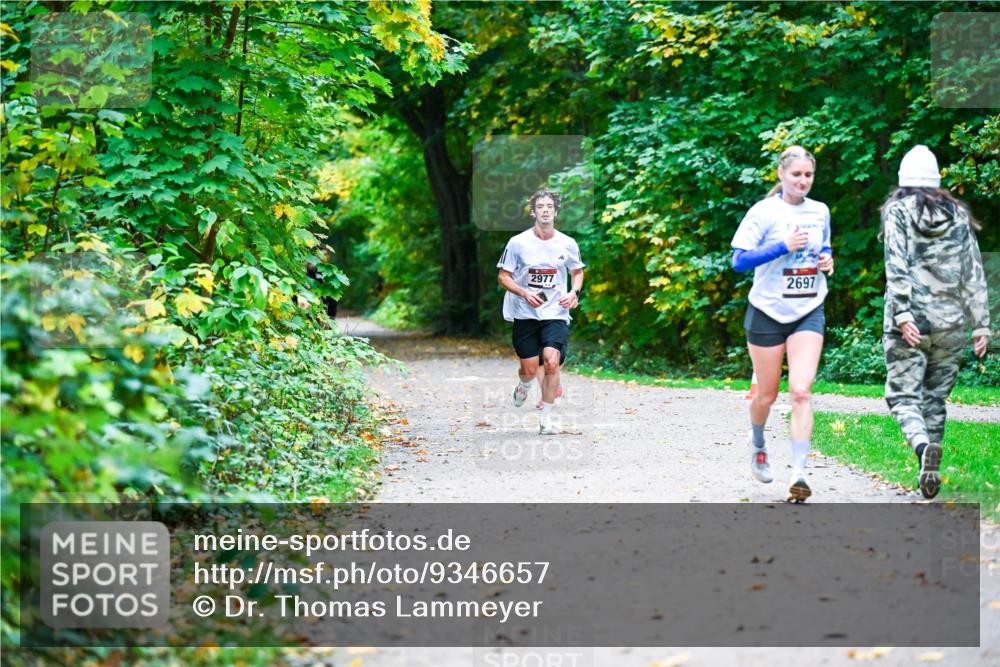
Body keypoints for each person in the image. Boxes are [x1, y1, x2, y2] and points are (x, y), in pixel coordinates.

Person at [881, 145, 990, 499]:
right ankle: (930, 468)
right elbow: (973, 270)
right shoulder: (958, 215)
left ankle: (922, 446)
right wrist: (981, 323)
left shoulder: (898, 211)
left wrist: (901, 314)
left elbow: (896, 263)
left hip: (912, 320)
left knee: (903, 396)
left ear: (903, 179)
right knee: (935, 399)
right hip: (950, 321)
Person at [731, 146, 834, 502]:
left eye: (808, 175)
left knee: (801, 391)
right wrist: (782, 246)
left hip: (808, 308)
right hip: (768, 310)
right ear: (781, 174)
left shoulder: (820, 211)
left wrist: (827, 260)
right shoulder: (764, 212)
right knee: (767, 395)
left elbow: (825, 248)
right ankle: (758, 442)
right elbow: (739, 261)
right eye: (796, 174)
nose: (802, 181)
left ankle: (799, 473)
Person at [498, 190, 584, 435]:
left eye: (549, 206)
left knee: (552, 362)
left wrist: (574, 293)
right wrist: (524, 293)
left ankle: (546, 420)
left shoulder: (567, 243)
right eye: (540, 206)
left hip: (555, 313)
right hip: (525, 314)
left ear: (556, 212)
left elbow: (577, 272)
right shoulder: (518, 243)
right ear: (533, 212)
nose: (545, 210)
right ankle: (524, 385)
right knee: (528, 369)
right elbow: (503, 277)